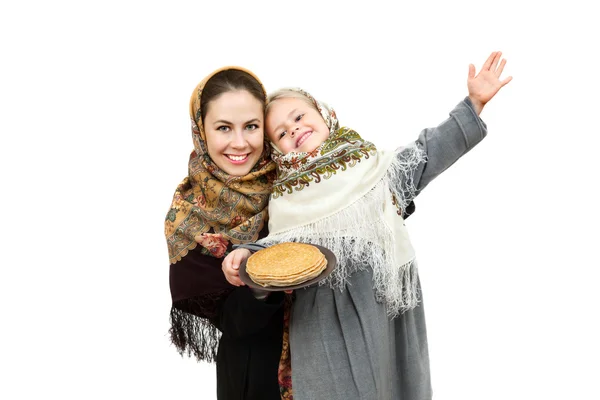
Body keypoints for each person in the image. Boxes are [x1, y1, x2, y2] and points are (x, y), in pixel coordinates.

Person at [223, 51, 512, 399]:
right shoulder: (286, 198)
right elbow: (277, 250)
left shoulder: (375, 170)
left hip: (385, 307)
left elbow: (427, 152)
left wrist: (473, 104)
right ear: (277, 151)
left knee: (395, 386)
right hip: (322, 321)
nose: (294, 129)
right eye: (282, 133)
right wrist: (243, 255)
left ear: (324, 113)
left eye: (299, 116)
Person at [165, 66, 285, 400]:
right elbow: (233, 323)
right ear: (201, 131)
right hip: (258, 378)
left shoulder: (298, 177)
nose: (240, 143)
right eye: (223, 128)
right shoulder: (190, 217)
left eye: (251, 126)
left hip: (333, 359)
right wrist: (264, 280)